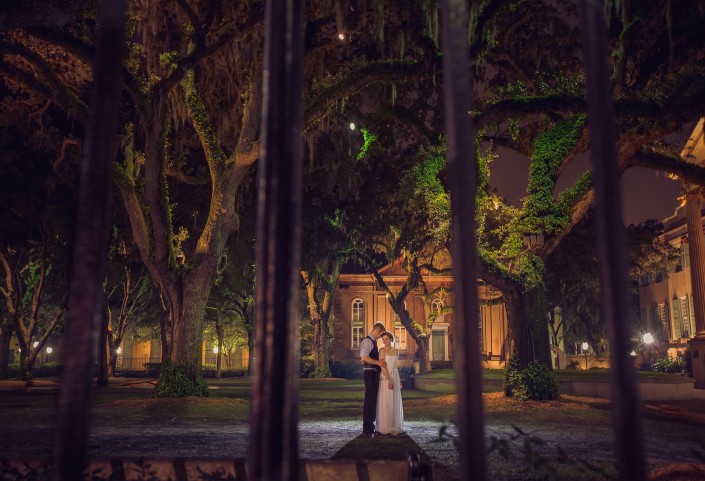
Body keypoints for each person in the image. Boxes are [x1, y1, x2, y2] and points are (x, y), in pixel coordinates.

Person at [359, 321, 387, 435]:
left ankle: (370, 425)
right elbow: (364, 357)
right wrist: (378, 362)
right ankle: (367, 427)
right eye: (380, 335)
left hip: (373, 374)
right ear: (377, 330)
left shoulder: (372, 341)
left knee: (372, 400)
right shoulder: (367, 341)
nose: (380, 337)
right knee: (370, 400)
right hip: (370, 374)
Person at [376, 331, 404, 435]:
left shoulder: (396, 351)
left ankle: (394, 425)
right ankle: (386, 426)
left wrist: (399, 381)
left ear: (391, 339)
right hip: (386, 376)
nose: (384, 341)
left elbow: (396, 367)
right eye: (383, 340)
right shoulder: (382, 350)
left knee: (394, 400)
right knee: (387, 400)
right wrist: (389, 380)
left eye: (386, 339)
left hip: (395, 375)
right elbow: (382, 366)